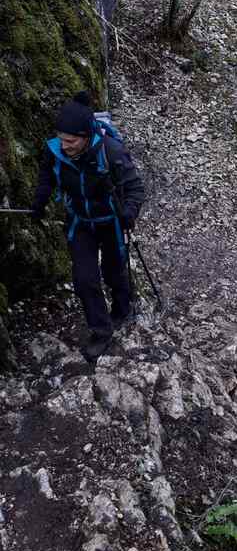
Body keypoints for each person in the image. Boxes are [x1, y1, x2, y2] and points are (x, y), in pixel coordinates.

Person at [30, 92, 145, 360]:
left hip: (110, 221)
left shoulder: (111, 151)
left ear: (85, 136)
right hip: (80, 221)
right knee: (84, 279)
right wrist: (40, 201)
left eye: (70, 141)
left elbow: (135, 188)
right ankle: (102, 332)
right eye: (61, 139)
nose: (64, 145)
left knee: (114, 271)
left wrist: (129, 212)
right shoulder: (55, 151)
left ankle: (122, 308)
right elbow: (47, 178)